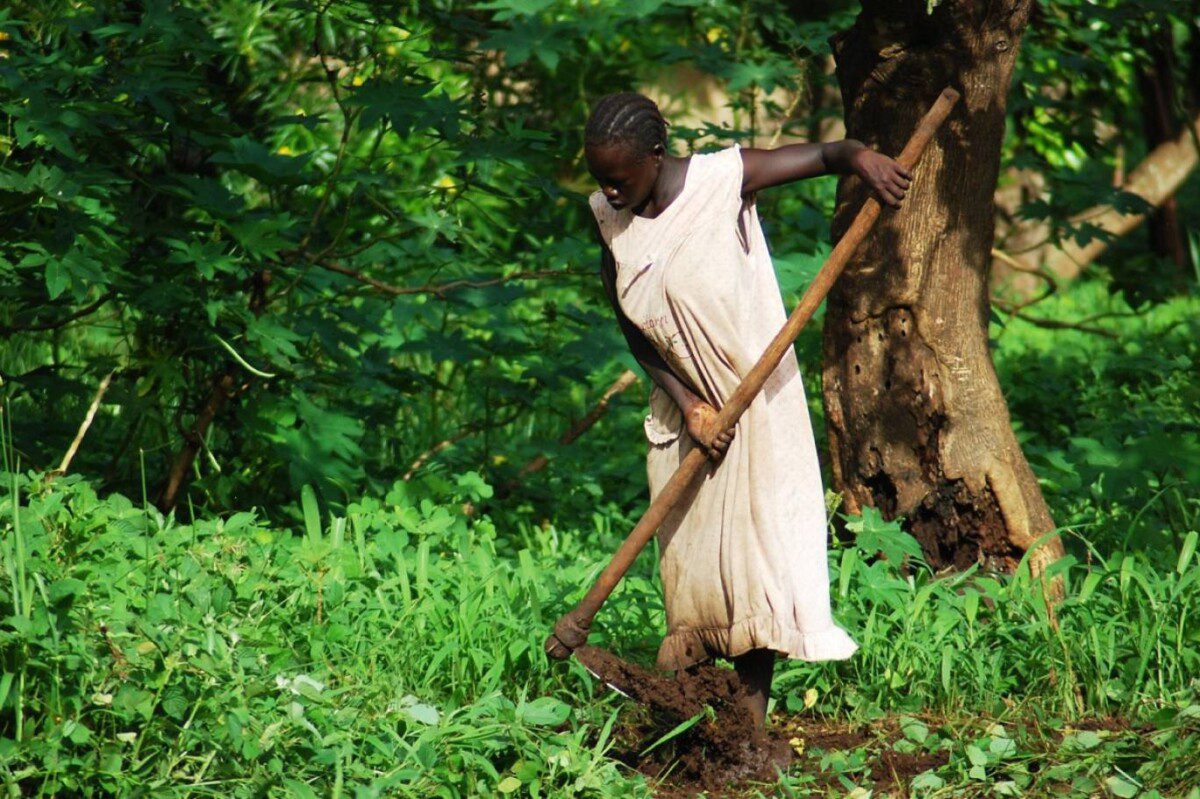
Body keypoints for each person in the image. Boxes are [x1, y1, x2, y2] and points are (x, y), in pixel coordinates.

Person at [583, 91, 911, 727]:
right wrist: (689, 405)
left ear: (656, 155)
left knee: (755, 564)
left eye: (619, 179)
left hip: (755, 407)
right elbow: (632, 328)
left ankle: (748, 730)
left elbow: (823, 155)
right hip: (684, 415)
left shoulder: (721, 180)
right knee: (694, 569)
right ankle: (694, 719)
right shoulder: (609, 218)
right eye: (600, 179)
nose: (609, 191)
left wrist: (861, 158)